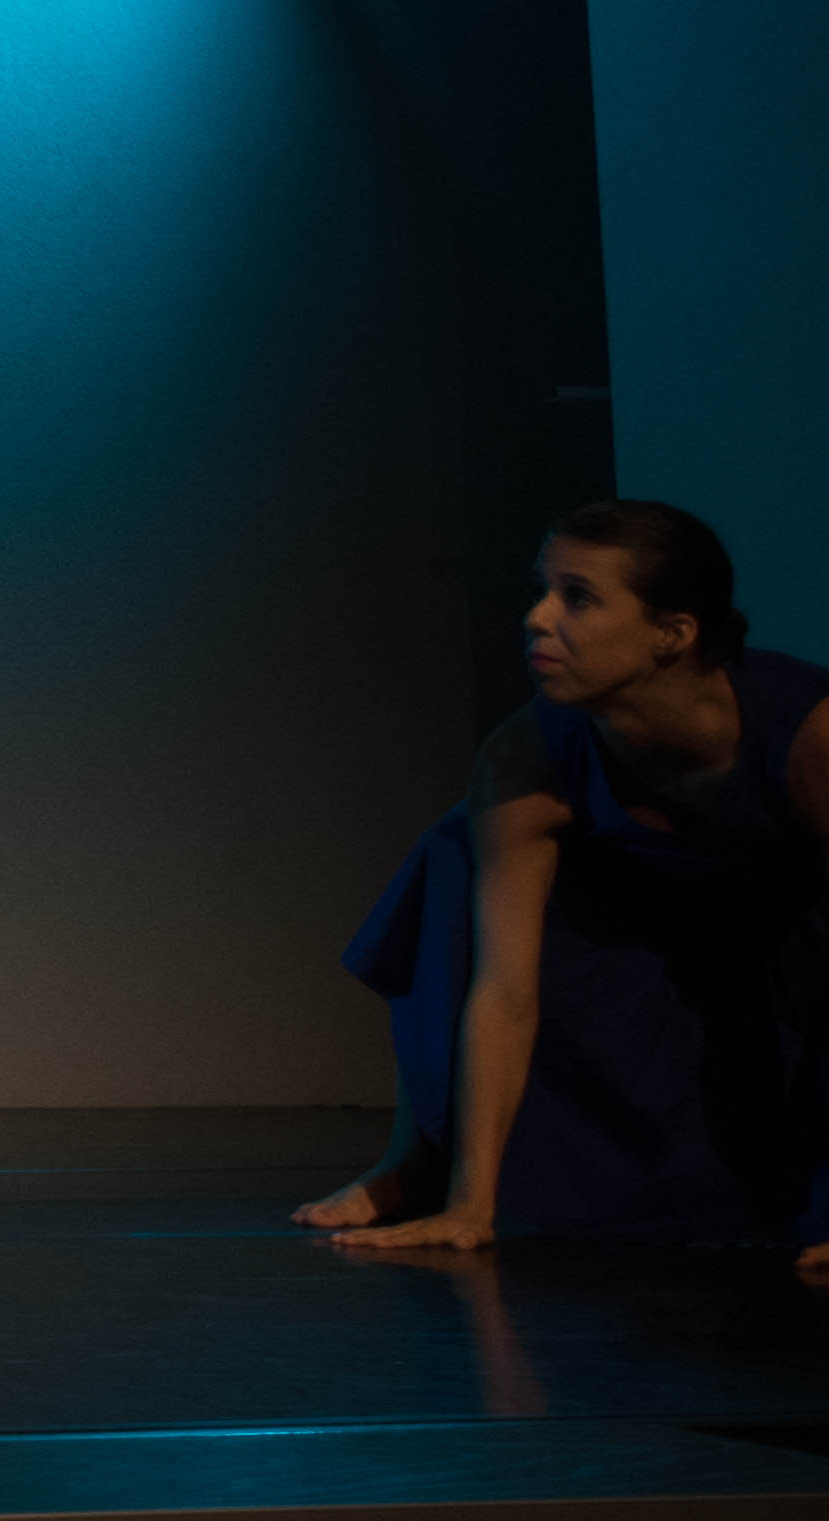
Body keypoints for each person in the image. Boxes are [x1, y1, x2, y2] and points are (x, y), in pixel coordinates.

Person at [297, 501, 829, 1265]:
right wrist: (471, 1204)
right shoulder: (527, 751)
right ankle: (418, 1164)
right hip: (638, 957)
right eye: (540, 591)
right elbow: (504, 990)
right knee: (453, 850)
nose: (537, 618)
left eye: (577, 598)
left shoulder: (811, 738)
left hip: (779, 970)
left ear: (672, 633)